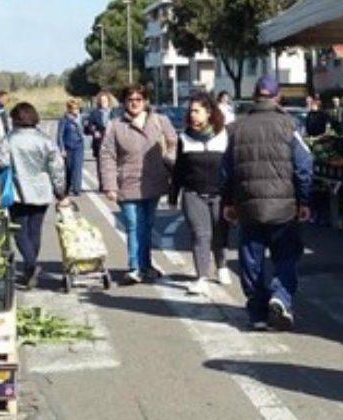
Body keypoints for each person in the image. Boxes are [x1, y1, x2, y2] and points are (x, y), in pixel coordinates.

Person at [221, 74, 313, 331]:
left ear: (254, 97)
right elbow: (304, 166)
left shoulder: (237, 128)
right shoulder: (289, 126)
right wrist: (304, 200)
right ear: (277, 97)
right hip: (284, 207)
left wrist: (229, 202)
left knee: (251, 260)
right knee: (286, 256)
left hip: (248, 207)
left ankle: (258, 312)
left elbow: (226, 170)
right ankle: (281, 296)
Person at [100, 84, 178, 284]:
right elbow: (107, 156)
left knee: (148, 225)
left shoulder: (161, 121)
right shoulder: (115, 125)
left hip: (153, 182)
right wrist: (110, 185)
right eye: (130, 100)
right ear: (124, 102)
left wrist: (168, 160)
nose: (134, 103)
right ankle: (134, 267)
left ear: (146, 101)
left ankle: (146, 265)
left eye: (138, 99)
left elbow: (174, 144)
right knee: (134, 225)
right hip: (127, 183)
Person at [0, 102, 67, 288]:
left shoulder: (9, 140)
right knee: (35, 230)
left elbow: (1, 162)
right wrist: (60, 191)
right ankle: (30, 269)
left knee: (20, 231)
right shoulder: (44, 140)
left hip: (18, 190)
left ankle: (31, 265)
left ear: (16, 119)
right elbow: (57, 168)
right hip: (42, 191)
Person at [170, 92, 231, 295]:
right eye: (191, 111)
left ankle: (221, 265)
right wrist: (173, 196)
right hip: (193, 194)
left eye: (197, 111)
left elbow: (233, 167)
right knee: (200, 235)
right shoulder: (184, 138)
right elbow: (178, 169)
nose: (193, 115)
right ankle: (202, 277)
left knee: (219, 233)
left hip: (220, 194)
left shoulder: (224, 136)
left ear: (209, 112)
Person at [57, 98, 85, 196]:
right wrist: (62, 149)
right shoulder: (64, 119)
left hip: (79, 146)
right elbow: (60, 135)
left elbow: (85, 129)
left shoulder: (80, 118)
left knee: (77, 167)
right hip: (68, 146)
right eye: (73, 108)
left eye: (77, 108)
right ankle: (67, 187)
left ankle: (77, 188)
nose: (76, 110)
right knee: (68, 168)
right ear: (69, 109)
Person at [85, 91, 113, 191]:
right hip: (99, 141)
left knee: (112, 164)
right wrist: (94, 131)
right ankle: (102, 185)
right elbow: (88, 126)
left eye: (105, 100)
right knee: (101, 164)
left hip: (112, 141)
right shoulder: (94, 113)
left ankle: (112, 184)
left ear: (108, 101)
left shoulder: (114, 112)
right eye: (101, 101)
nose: (103, 103)